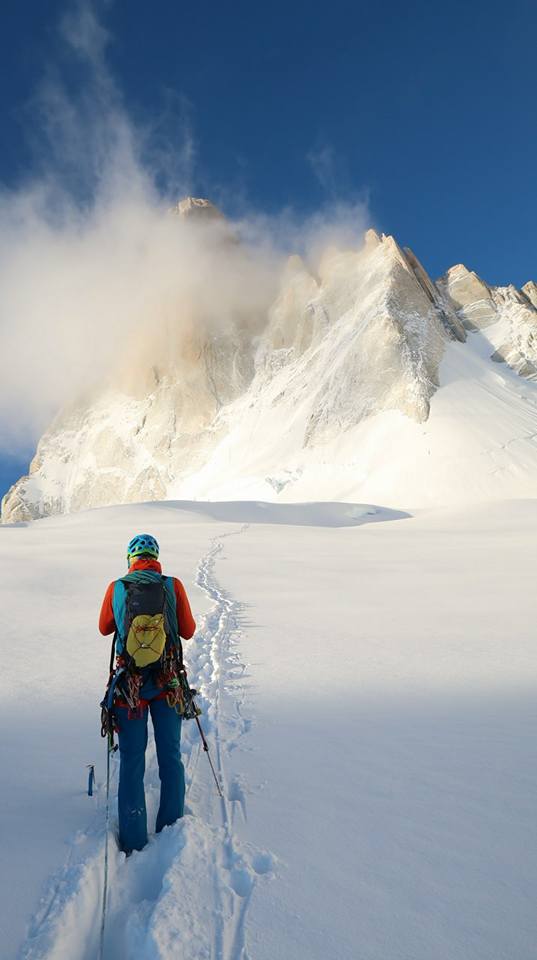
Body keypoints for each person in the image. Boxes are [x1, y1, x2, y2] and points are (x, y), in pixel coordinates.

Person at [99, 533, 196, 854]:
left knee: (131, 760)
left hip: (131, 689)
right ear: (156, 557)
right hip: (167, 683)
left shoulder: (117, 587)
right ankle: (170, 829)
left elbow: (104, 627)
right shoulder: (172, 585)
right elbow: (188, 630)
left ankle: (133, 838)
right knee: (170, 756)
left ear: (130, 559)